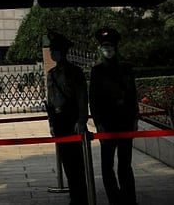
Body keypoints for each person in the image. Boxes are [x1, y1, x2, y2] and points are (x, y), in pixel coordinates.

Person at [89, 27, 139, 205]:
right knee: (107, 164)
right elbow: (93, 100)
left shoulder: (126, 68)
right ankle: (114, 199)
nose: (107, 49)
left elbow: (133, 96)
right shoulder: (97, 71)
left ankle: (129, 198)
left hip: (124, 120)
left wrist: (135, 119)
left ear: (116, 47)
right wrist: (98, 123)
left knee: (125, 163)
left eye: (110, 46)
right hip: (107, 122)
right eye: (104, 46)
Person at [44, 31, 89, 205]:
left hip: (72, 119)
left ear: (62, 52)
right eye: (51, 50)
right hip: (59, 119)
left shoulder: (74, 72)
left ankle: (81, 196)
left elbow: (82, 97)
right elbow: (50, 99)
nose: (52, 53)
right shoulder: (51, 73)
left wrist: (82, 120)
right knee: (66, 161)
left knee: (76, 161)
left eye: (54, 50)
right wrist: (51, 123)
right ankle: (74, 194)